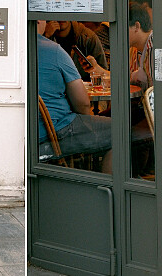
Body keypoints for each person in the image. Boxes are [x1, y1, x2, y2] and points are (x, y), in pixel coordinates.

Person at [35, 20, 116, 172]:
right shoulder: (54, 51)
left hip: (29, 135)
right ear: (40, 20)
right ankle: (108, 189)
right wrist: (87, 123)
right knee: (119, 131)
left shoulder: (12, 51)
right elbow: (83, 103)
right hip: (58, 132)